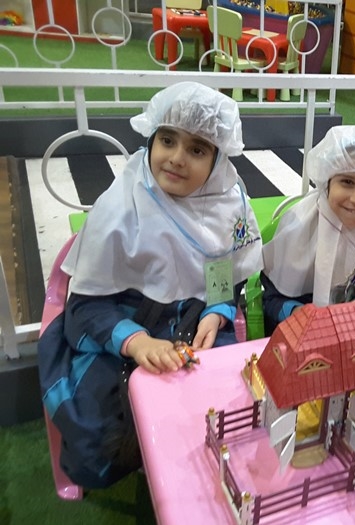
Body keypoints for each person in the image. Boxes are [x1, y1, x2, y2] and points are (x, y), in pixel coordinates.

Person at [38, 81, 263, 488]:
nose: (176, 158)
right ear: (152, 138)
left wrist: (217, 310)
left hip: (193, 323)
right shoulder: (121, 206)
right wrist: (137, 342)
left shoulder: (227, 206)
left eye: (197, 150)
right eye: (167, 140)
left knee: (230, 411)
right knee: (97, 445)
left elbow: (224, 277)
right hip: (116, 326)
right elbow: (85, 306)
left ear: (217, 160)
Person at [261, 125, 355, 332]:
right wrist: (297, 313)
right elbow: (271, 299)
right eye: (347, 182)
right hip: (299, 330)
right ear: (327, 182)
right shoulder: (301, 226)